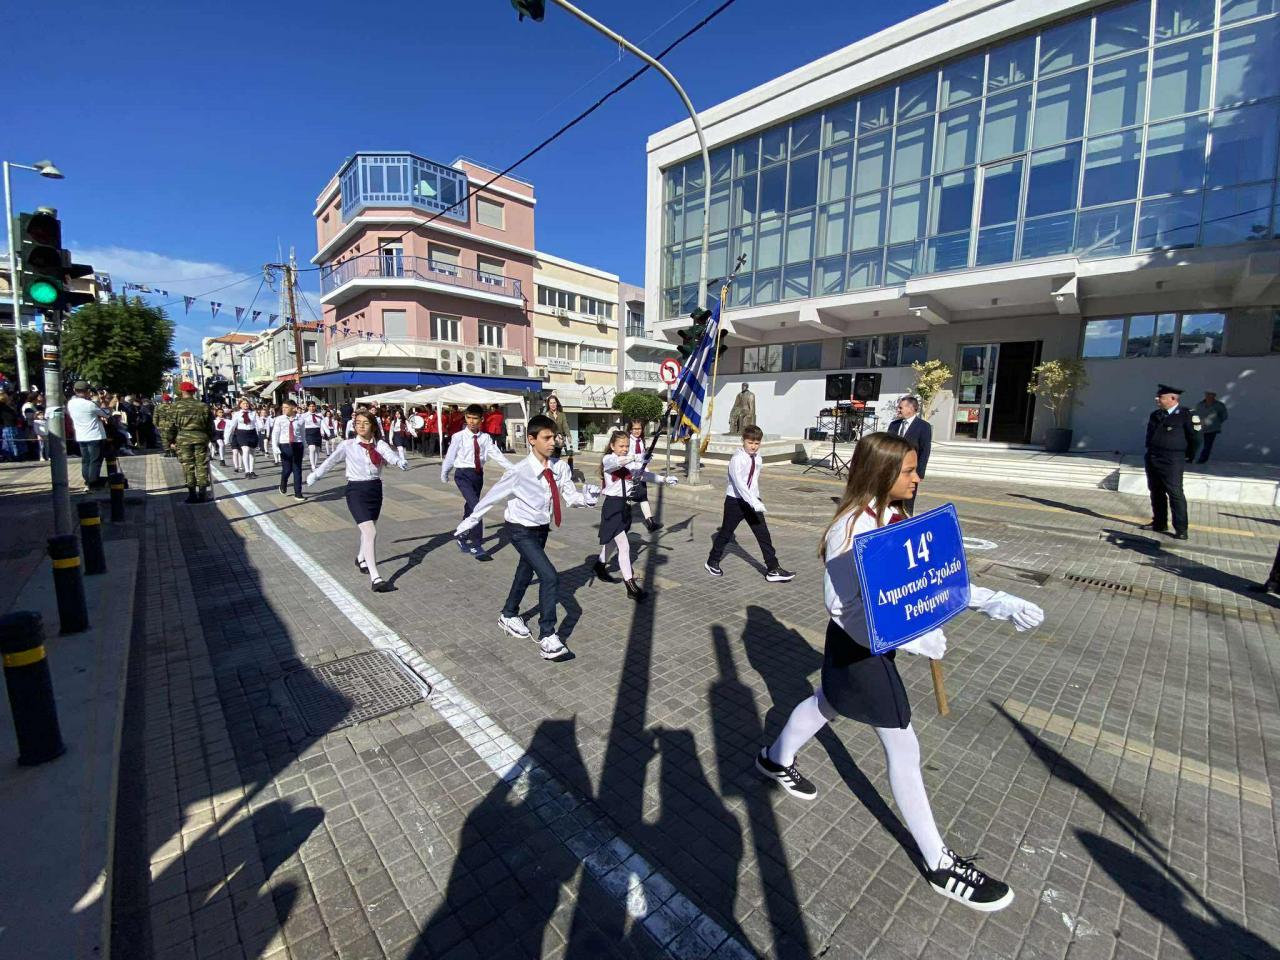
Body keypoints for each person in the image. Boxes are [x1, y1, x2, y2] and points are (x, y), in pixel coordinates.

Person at [755, 432, 1044, 912]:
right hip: (860, 648)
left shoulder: (893, 516)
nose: (917, 477)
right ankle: (939, 863)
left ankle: (774, 759)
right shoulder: (849, 530)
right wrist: (907, 639)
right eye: (909, 470)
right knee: (903, 746)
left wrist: (994, 601)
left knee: (828, 702)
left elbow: (931, 578)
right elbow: (842, 608)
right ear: (883, 472)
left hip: (873, 645)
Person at [455, 414, 596, 661]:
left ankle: (508, 614)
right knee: (549, 576)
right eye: (546, 438)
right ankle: (548, 636)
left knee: (525, 571)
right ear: (532, 439)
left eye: (554, 437)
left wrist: (587, 498)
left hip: (541, 528)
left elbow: (570, 497)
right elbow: (492, 496)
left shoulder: (560, 467)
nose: (552, 442)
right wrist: (470, 521)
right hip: (519, 529)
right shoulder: (518, 472)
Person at [307, 410, 407, 593]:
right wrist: (316, 475)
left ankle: (361, 558)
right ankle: (376, 578)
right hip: (356, 490)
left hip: (375, 489)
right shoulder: (348, 445)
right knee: (370, 532)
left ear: (373, 427)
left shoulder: (379, 444)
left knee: (368, 529)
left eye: (365, 423)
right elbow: (331, 461)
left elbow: (389, 455)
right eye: (358, 422)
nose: (361, 426)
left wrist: (399, 462)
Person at [594, 430, 677, 600]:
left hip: (625, 506)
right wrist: (637, 457)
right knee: (624, 546)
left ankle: (600, 565)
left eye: (627, 446)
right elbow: (617, 462)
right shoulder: (609, 459)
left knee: (612, 541)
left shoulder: (629, 461)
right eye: (621, 446)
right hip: (612, 506)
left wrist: (664, 480)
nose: (624, 449)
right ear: (612, 446)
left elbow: (644, 475)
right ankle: (631, 587)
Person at [705, 424, 794, 582]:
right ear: (743, 441)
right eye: (750, 442)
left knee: (763, 534)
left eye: (757, 443)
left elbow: (753, 482)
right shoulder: (737, 459)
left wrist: (756, 499)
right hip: (735, 502)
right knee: (726, 532)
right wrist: (753, 501)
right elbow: (739, 483)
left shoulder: (758, 458)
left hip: (752, 501)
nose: (753, 446)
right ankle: (712, 561)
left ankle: (773, 568)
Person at [441, 403, 514, 558]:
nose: (471, 421)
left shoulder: (485, 438)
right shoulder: (458, 437)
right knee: (477, 507)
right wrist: (445, 472)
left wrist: (513, 469)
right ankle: (476, 544)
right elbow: (451, 455)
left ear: (481, 419)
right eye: (469, 418)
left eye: (475, 418)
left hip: (477, 475)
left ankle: (462, 535)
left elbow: (496, 454)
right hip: (463, 475)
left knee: (470, 507)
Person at [1140, 384, 1202, 541]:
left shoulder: (1186, 415)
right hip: (1153, 457)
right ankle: (1159, 523)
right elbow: (1150, 435)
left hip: (1172, 459)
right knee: (1156, 491)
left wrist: (1189, 456)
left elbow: (1196, 439)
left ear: (1173, 398)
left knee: (1175, 493)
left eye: (1160, 397)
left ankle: (1181, 529)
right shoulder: (1155, 415)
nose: (1156, 399)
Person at [168, 381, 214, 503]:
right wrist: (211, 438)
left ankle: (192, 494)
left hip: (183, 438)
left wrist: (170, 440)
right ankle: (203, 494)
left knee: (188, 465)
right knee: (201, 465)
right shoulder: (203, 406)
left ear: (181, 392)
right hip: (200, 437)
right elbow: (210, 425)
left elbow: (171, 426)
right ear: (193, 392)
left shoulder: (175, 406)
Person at [887, 396, 932, 516]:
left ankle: (906, 519)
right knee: (891, 497)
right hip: (892, 469)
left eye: (900, 407)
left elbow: (925, 451)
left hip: (910, 471)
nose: (898, 410)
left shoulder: (924, 427)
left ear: (911, 408)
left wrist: (919, 473)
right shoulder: (894, 425)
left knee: (907, 501)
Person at [67, 381, 110, 491]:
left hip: (81, 436)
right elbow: (106, 414)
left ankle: (87, 482)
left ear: (74, 390)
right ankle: (93, 484)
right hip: (95, 435)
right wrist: (103, 401)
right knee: (95, 461)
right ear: (88, 391)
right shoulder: (90, 404)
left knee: (86, 461)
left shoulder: (71, 403)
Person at [625, 419, 663, 532]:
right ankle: (624, 522)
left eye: (639, 429)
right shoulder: (627, 441)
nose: (637, 431)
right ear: (630, 429)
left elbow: (642, 457)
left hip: (640, 473)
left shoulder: (641, 441)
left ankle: (650, 523)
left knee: (642, 496)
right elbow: (626, 458)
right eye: (635, 429)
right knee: (627, 498)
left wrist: (646, 459)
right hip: (629, 473)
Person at [273, 398, 307, 501]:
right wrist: (275, 446)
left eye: (286, 407)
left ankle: (298, 493)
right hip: (285, 445)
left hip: (297, 445)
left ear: (293, 408)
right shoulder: (279, 419)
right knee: (287, 469)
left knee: (297, 469)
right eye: (283, 407)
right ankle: (283, 483)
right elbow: (275, 433)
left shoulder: (300, 419)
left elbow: (302, 434)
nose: (283, 409)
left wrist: (304, 447)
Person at [229, 398, 264, 478]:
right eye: (244, 403)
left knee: (252, 452)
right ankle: (247, 471)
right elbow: (233, 425)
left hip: (252, 432)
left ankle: (252, 471)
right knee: (246, 450)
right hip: (241, 433)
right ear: (240, 405)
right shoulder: (237, 414)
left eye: (247, 403)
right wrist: (228, 436)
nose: (246, 405)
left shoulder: (253, 413)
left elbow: (258, 421)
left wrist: (261, 427)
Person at [1193, 391, 1228, 464]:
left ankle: (1202, 460)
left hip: (1212, 429)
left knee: (1207, 445)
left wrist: (1215, 422)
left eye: (1211, 395)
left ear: (1214, 396)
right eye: (1208, 395)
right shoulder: (1200, 404)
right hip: (1200, 427)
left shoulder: (1219, 405)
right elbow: (1195, 414)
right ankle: (1190, 457)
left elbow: (1224, 416)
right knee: (1195, 443)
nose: (1209, 396)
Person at [544, 394, 574, 476]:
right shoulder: (546, 415)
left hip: (559, 441)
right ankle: (550, 473)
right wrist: (555, 434)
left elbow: (565, 426)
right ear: (548, 404)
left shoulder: (562, 415)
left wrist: (569, 435)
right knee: (550, 457)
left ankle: (555, 473)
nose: (553, 405)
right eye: (551, 403)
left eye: (554, 403)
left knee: (556, 457)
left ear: (557, 403)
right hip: (550, 440)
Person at [300, 400, 325, 472]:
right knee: (312, 448)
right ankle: (312, 465)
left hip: (317, 432)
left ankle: (315, 464)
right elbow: (300, 425)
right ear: (308, 407)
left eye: (313, 406)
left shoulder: (319, 415)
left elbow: (323, 424)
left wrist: (323, 431)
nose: (312, 408)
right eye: (310, 406)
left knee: (317, 449)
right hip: (309, 432)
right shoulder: (304, 415)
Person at [0, 392, 21, 462]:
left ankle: (13, 456)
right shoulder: (7, 407)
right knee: (11, 442)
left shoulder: (4, 407)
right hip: (10, 426)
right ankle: (13, 456)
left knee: (10, 442)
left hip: (7, 426)